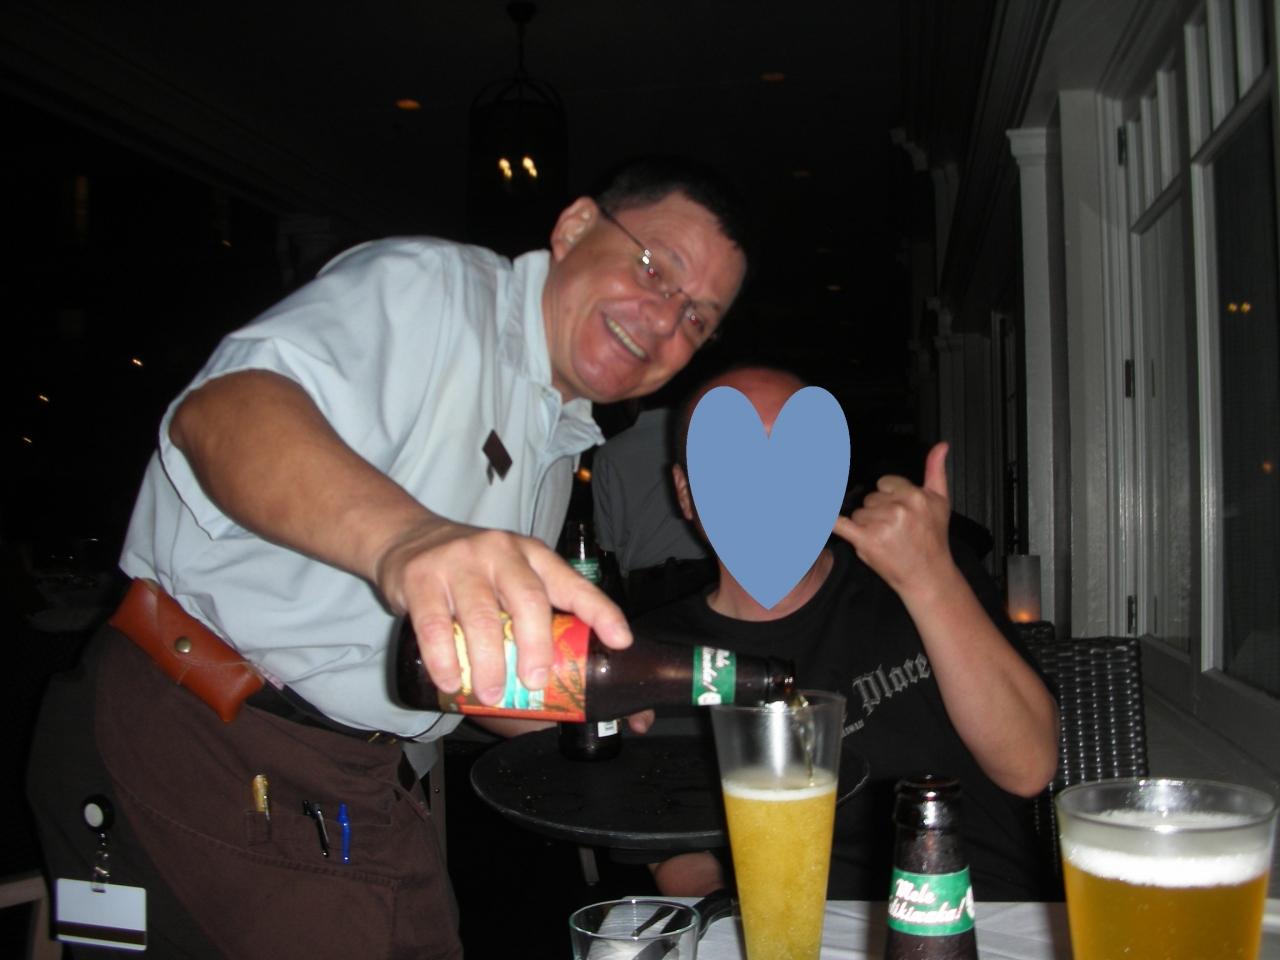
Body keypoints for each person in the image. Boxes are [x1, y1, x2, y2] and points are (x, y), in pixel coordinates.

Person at [25, 156, 750, 958]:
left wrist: (570, 695)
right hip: (200, 736)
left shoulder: (560, 433)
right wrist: (411, 540)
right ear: (575, 227)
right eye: (654, 268)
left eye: (697, 317)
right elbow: (223, 412)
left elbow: (451, 657)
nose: (665, 318)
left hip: (346, 775)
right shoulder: (434, 291)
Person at [640, 366, 1059, 901]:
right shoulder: (653, 654)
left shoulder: (921, 569)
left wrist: (930, 581)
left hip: (981, 915)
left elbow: (1029, 767)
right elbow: (679, 856)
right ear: (686, 492)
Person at [591, 393, 714, 616]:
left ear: (633, 400)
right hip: (706, 576)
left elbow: (606, 543)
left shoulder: (609, 454)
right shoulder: (703, 441)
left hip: (646, 588)